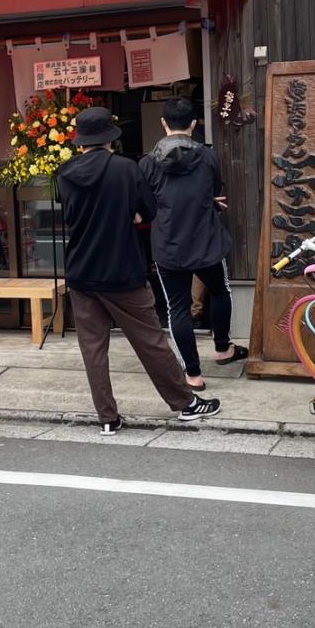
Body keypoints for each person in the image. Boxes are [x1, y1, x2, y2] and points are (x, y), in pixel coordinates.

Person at [57, 105, 221, 436]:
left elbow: (70, 213)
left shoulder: (64, 172)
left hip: (81, 269)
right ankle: (185, 404)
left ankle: (107, 417)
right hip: (122, 268)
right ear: (110, 138)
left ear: (81, 140)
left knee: (93, 348)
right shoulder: (126, 169)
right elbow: (147, 210)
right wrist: (131, 215)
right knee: (150, 340)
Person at [139, 96, 248, 390]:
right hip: (207, 242)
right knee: (219, 290)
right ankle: (223, 348)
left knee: (178, 307)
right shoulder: (208, 157)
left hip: (168, 245)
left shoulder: (147, 164)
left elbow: (147, 205)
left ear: (163, 123)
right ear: (194, 124)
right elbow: (212, 191)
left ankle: (192, 374)